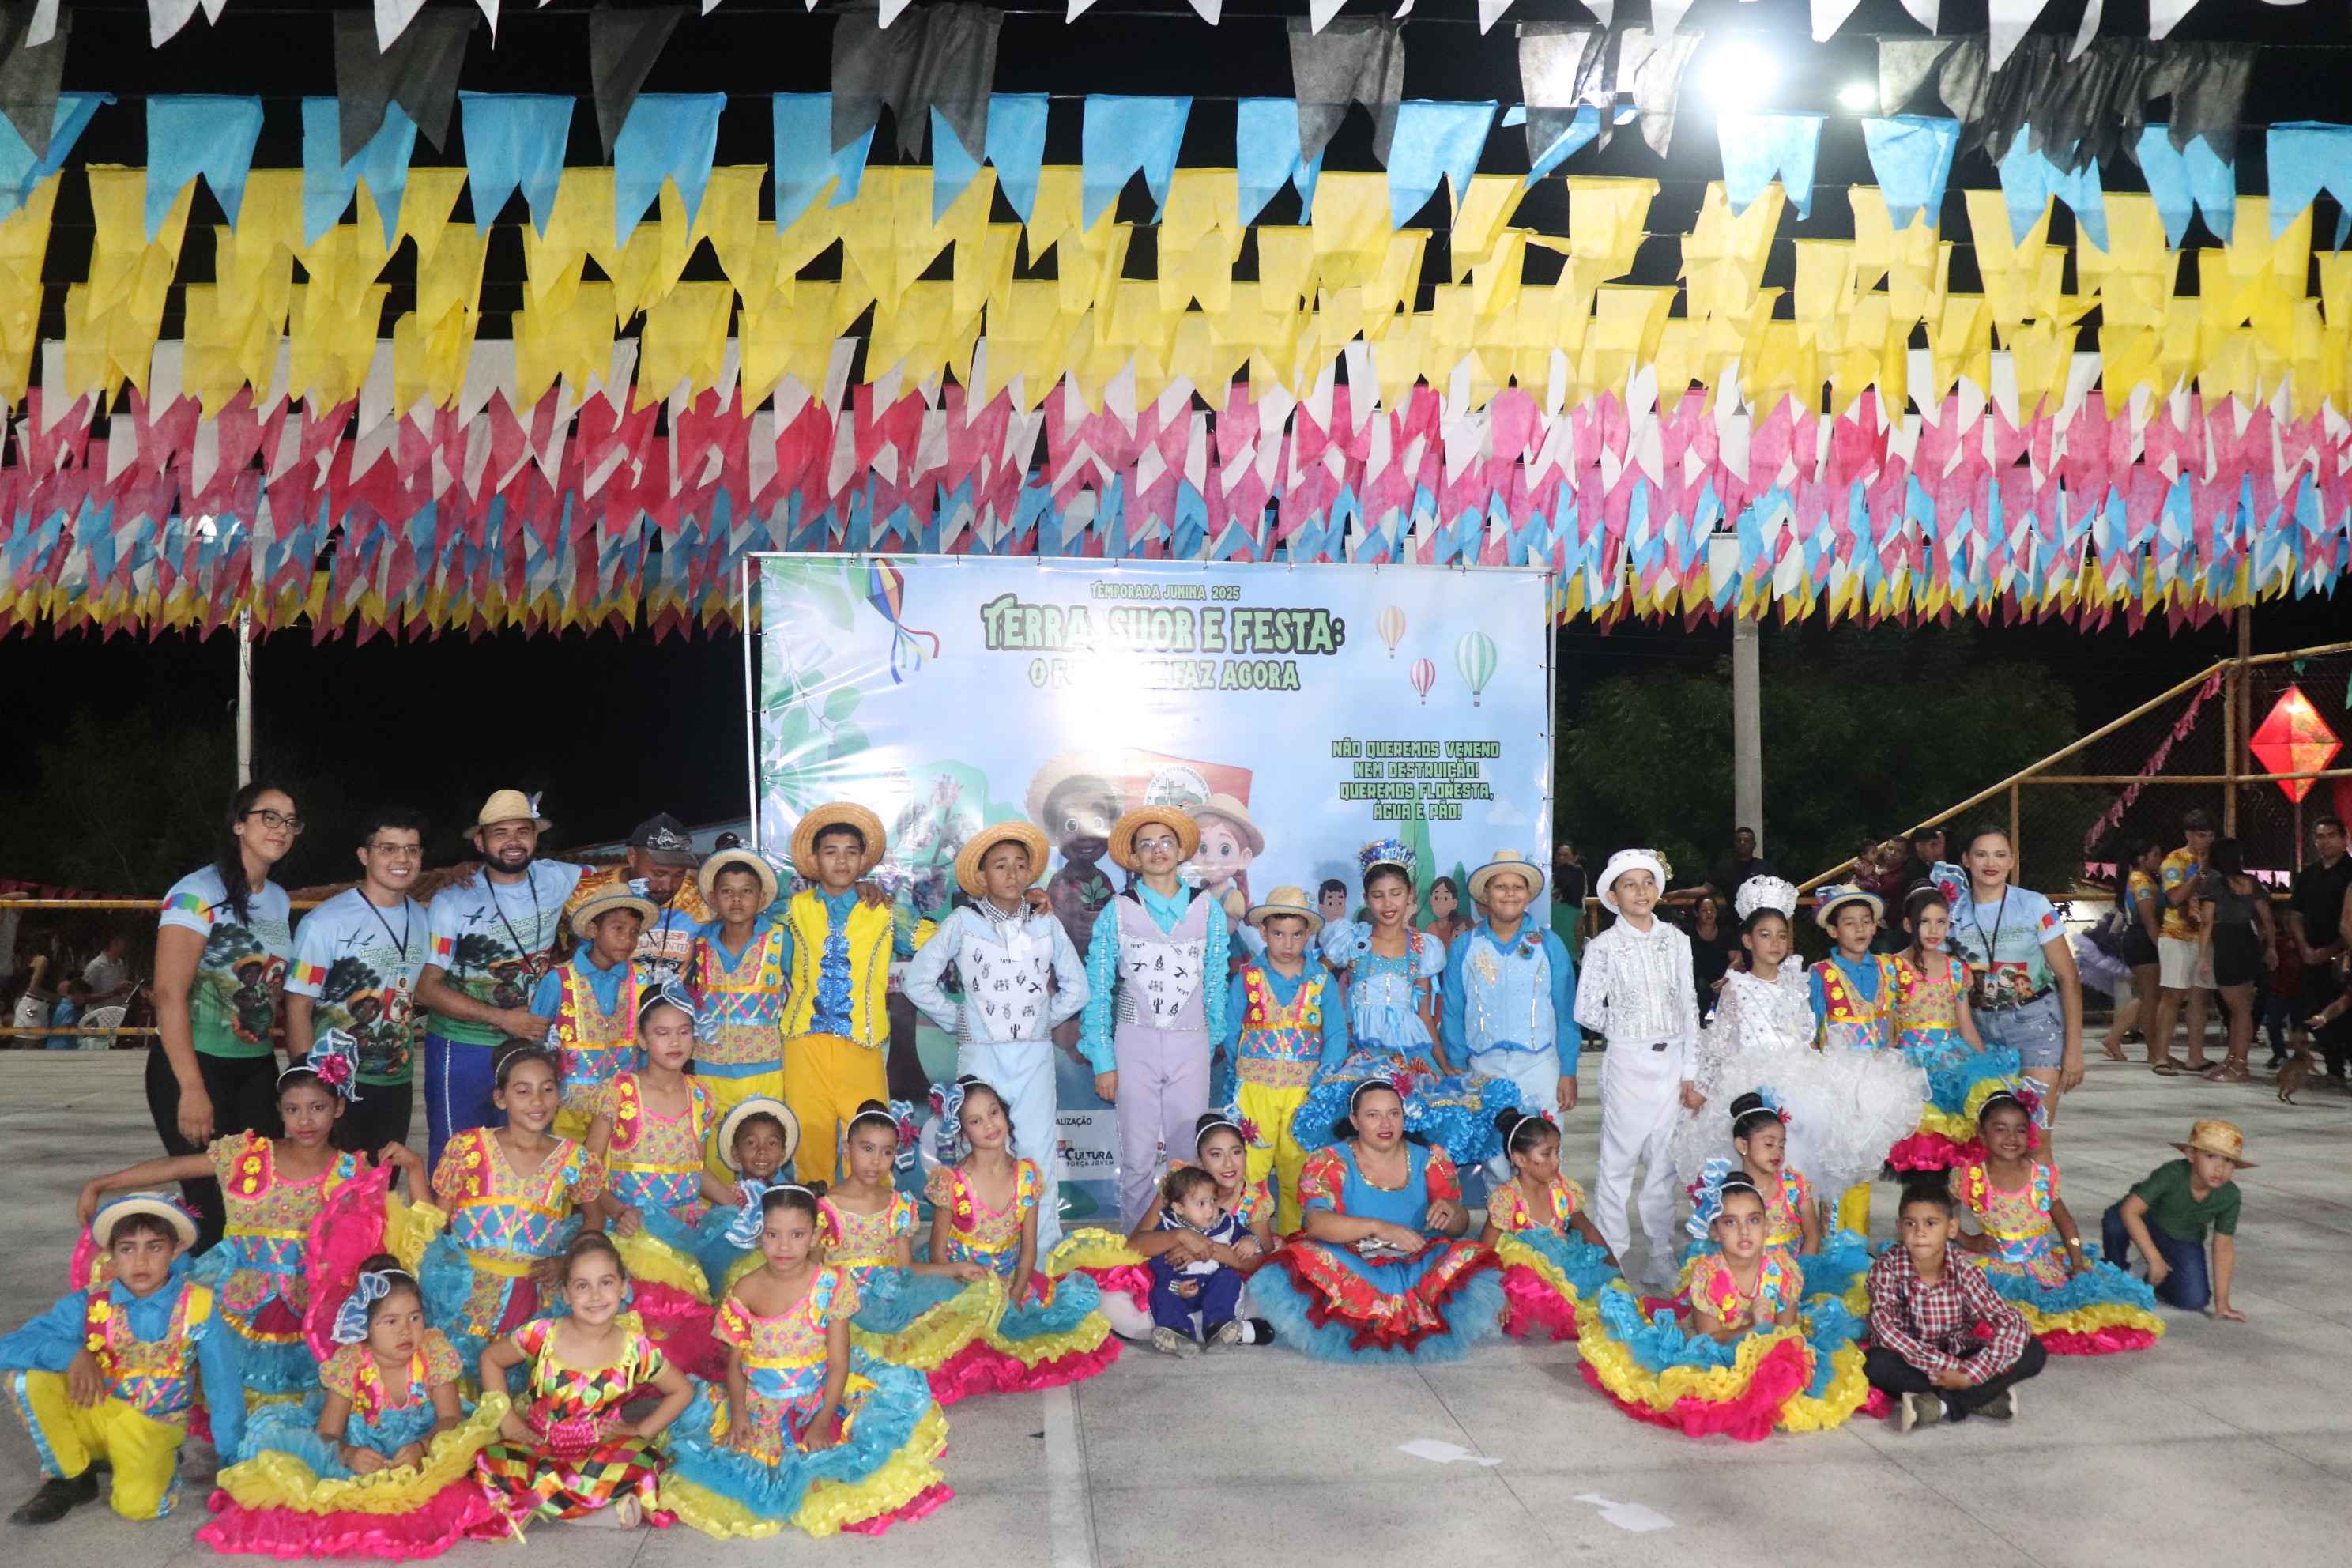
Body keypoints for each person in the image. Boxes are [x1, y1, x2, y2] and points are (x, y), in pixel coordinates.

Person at [77, 1054, 400, 1396]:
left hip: (310, 1311)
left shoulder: (353, 1173)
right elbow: (175, 1167)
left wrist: (412, 1170)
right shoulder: (248, 1155)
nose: (305, 1120)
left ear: (338, 1108)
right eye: (293, 1109)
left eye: (317, 1108)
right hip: (232, 1301)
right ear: (280, 1111)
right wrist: (100, 1184)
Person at [660, 1185, 949, 1540]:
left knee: (837, 1466)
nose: (784, 1247)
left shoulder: (830, 1285)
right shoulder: (746, 1289)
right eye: (773, 1234)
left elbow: (839, 1363)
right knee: (733, 1466)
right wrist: (739, 1413)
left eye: (797, 1235)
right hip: (759, 1402)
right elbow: (735, 1365)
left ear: (814, 1237)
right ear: (759, 1235)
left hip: (818, 1398)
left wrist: (821, 1422)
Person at [200, 1255, 505, 1559]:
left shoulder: (433, 1354)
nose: (406, 1330)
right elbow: (327, 1434)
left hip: (424, 1444)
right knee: (323, 1491)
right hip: (366, 1449)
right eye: (391, 1321)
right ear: (364, 1327)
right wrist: (349, 1455)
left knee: (461, 1472)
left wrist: (423, 1448)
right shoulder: (351, 1365)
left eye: (415, 1318)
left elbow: (450, 1418)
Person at [0, 1196, 245, 1525]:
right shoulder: (89, 1302)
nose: (140, 1261)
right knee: (30, 1378)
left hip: (152, 1427)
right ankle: (73, 1476)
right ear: (111, 1254)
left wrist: (233, 1461)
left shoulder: (199, 1306)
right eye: (128, 1249)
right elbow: (9, 1346)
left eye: (154, 1247)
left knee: (137, 1507)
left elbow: (223, 1387)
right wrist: (71, 1353)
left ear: (176, 1250)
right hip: (98, 1411)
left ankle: (155, 1459)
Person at [904, 820, 1087, 1250]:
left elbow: (1078, 989)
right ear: (982, 875)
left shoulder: (1045, 924)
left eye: (1020, 865)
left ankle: (1040, 1255)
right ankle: (977, 1248)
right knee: (977, 1153)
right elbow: (917, 982)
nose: (1011, 873)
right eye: (1000, 865)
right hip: (981, 1057)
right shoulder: (964, 922)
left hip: (1033, 1058)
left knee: (1037, 1154)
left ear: (1030, 874)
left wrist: (1042, 1019)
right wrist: (958, 1019)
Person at [1250, 1078, 1502, 1362]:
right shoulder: (1329, 1161)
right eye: (1373, 1115)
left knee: (1469, 1255)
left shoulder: (1431, 1159)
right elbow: (1316, 1224)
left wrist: (1452, 1211)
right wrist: (1380, 1228)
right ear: (1354, 1121)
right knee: (1301, 1255)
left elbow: (1459, 1226)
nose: (1386, 1124)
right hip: (1352, 1259)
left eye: (1394, 1114)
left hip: (1417, 1260)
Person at [149, 781, 301, 1250]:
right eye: (268, 817)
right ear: (239, 824)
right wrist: (192, 1089)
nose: (281, 828)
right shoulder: (196, 893)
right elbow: (168, 994)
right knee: (211, 1210)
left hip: (256, 1067)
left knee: (260, 1200)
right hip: (198, 1066)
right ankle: (201, 1295)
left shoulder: (278, 898)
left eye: (290, 821)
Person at [1308, 841, 1521, 1170]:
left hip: (1412, 1055)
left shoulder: (1422, 947)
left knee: (1414, 1135)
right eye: (1378, 895)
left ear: (1410, 895)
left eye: (1396, 893)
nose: (1387, 903)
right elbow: (1313, 982)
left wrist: (1443, 1063)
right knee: (1362, 1139)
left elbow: (1424, 1012)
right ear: (1366, 899)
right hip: (1360, 1053)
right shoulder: (1352, 941)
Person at [417, 790, 589, 1176]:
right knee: (455, 1157)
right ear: (480, 842)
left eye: (522, 832)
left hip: (529, 1046)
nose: (513, 842)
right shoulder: (452, 900)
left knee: (524, 1153)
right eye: (500, 833)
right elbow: (425, 988)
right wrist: (503, 1019)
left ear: (535, 837)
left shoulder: (557, 877)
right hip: (463, 1048)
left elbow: (625, 880)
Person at [474, 1233, 694, 1530]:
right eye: (582, 1286)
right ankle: (595, 1512)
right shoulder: (543, 1334)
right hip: (540, 1447)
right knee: (489, 1461)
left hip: (599, 1455)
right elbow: (490, 1359)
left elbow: (681, 1390)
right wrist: (510, 1422)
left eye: (606, 1283)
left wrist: (639, 1430)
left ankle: (548, 1503)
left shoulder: (634, 1349)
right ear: (566, 1293)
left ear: (623, 1287)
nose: (595, 1296)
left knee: (641, 1462)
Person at [1080, 808, 1231, 1227]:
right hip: (1135, 1044)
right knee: (1137, 1159)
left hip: (1191, 1043)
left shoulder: (1207, 909)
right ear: (1133, 857)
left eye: (1166, 841)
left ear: (1182, 851)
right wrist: (1103, 1059)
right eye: (1146, 844)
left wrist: (1208, 1041)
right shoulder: (1118, 910)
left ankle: (1188, 1245)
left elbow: (1216, 983)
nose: (1157, 850)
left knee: (1187, 1160)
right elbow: (1098, 989)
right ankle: (1139, 1249)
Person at [921, 1077, 1119, 1396]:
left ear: (1005, 1114)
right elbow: (937, 1255)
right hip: (960, 1285)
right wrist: (964, 1290)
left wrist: (1014, 1296)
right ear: (963, 1132)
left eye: (994, 1112)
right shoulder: (952, 1182)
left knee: (1049, 1336)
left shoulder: (1026, 1176)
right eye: (975, 1121)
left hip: (1011, 1281)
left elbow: (1028, 1249)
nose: (989, 1125)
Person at [420, 1046, 609, 1369]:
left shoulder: (574, 1159)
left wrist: (566, 1261)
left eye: (547, 1089)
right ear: (501, 1098)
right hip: (465, 1295)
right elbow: (438, 1221)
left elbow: (595, 1217)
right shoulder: (467, 1148)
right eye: (523, 1091)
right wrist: (414, 1169)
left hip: (532, 1299)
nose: (537, 1102)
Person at [1574, 849, 1702, 1291]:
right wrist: (1626, 1026)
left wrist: (1691, 1069)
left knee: (1664, 1162)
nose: (1641, 891)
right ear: (1613, 896)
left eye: (1647, 882)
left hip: (1673, 1060)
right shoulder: (1604, 946)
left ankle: (1660, 1253)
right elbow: (1586, 1008)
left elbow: (1689, 1003)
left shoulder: (1676, 940)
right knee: (1619, 1162)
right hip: (1629, 1062)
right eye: (1629, 885)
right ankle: (1611, 1257)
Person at [1952, 1091, 2164, 1354]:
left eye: (2020, 1130)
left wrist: (2077, 1262)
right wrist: (1966, 1239)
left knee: (2068, 1315)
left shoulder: (2041, 1176)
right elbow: (1940, 1210)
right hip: (1995, 1267)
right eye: (2001, 1129)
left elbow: (2066, 1223)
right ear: (1983, 1135)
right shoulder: (1971, 1176)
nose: (2011, 1138)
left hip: (2042, 1265)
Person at [779, 802, 922, 1187]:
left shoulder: (885, 912)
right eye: (831, 852)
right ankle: (814, 1219)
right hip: (804, 1044)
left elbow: (938, 939)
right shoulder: (792, 911)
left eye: (851, 852)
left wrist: (1019, 907)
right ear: (815, 860)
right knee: (809, 1140)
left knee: (870, 1141)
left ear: (863, 861)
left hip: (862, 1043)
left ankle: (868, 1220)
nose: (841, 861)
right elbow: (757, 931)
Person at [286, 805, 432, 1159]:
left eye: (412, 850)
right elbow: (297, 1007)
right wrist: (313, 1090)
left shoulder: (423, 918)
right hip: (336, 1087)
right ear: (364, 855)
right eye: (388, 849)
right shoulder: (324, 923)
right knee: (332, 1187)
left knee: (382, 1185)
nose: (402, 859)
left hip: (396, 1083)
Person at [586, 985, 722, 1334]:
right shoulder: (619, 1092)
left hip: (686, 1237)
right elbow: (586, 1171)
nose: (675, 1042)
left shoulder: (701, 1097)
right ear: (642, 1040)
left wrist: (737, 1203)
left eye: (684, 1031)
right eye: (662, 1033)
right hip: (633, 1237)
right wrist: (618, 1212)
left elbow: (695, 1170)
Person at [1940, 827, 2087, 1144]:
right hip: (1976, 1031)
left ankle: (2041, 1181)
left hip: (2035, 1028)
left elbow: (2068, 977)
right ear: (1966, 860)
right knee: (1984, 1141)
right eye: (1981, 854)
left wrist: (2074, 1049)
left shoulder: (2034, 905)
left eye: (2000, 855)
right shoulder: (1951, 913)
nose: (1990, 863)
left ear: (2012, 861)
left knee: (2033, 1139)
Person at [1865, 1179, 2045, 1432]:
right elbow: (1886, 1332)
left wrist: (1971, 1373)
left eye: (1931, 1223)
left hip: (1960, 1354)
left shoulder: (1964, 1271)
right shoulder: (1887, 1269)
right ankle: (1980, 1398)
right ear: (1899, 1228)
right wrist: (1957, 1373)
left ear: (1951, 1228)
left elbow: (2009, 1320)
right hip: (1912, 1360)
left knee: (2033, 1351)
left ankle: (1940, 1405)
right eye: (1910, 1223)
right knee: (1875, 1363)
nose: (1920, 1233)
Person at [1219, 885, 1347, 1233]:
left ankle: (1295, 1245)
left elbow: (1336, 1034)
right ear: (1263, 933)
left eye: (1296, 935)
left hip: (1304, 1093)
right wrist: (1238, 1073)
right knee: (1251, 1171)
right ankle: (1247, 1241)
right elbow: (1231, 1031)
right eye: (1278, 934)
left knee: (1298, 1171)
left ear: (1308, 935)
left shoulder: (1321, 980)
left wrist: (1322, 1081)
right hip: (1254, 1090)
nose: (1288, 944)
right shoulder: (1248, 978)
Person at [1440, 850, 1580, 1147]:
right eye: (1500, 886)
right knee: (1491, 1153)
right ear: (1486, 894)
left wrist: (1567, 1070)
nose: (1509, 894)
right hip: (1482, 1066)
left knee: (1542, 1151)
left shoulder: (1549, 945)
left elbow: (1566, 1011)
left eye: (1517, 887)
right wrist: (1458, 1065)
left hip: (1540, 1064)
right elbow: (1453, 1011)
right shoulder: (1465, 947)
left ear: (1528, 895)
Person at [684, 847, 792, 1183]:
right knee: (713, 1153)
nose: (736, 899)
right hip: (709, 1069)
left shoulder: (779, 940)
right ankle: (721, 1212)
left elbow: (804, 990)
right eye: (727, 891)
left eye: (746, 891)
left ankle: (766, 1211)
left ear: (761, 898)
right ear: (714, 898)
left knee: (764, 1155)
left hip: (764, 1069)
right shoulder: (699, 944)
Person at [1482, 1106, 1617, 1341]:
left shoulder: (1563, 1190)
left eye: (1557, 1152)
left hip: (1566, 1265)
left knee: (1607, 1306)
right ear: (1520, 1159)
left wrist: (1613, 1268)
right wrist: (1496, 1293)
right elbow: (1484, 1252)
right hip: (1525, 1278)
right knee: (1535, 1318)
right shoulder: (1507, 1200)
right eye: (1546, 1154)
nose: (1555, 1161)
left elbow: (1587, 1229)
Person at [531, 885, 655, 1140]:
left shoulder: (641, 981)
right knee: (567, 1162)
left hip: (623, 1107)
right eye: (618, 928)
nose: (628, 940)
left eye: (634, 932)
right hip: (567, 1111)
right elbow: (534, 1042)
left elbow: (648, 1045)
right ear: (593, 930)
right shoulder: (559, 980)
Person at [2101, 1119, 2249, 1321]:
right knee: (2115, 1220)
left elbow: (2223, 1246)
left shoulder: (2230, 1195)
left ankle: (2151, 1274)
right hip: (2147, 1220)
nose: (2220, 1168)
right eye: (2211, 1156)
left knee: (2193, 1301)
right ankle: (2115, 1268)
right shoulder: (2172, 1173)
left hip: (2182, 1239)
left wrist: (2222, 1301)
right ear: (2191, 1155)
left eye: (2229, 1161)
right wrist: (2154, 1257)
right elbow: (2130, 1211)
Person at [562, 812, 716, 981]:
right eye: (659, 874)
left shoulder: (700, 897)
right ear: (633, 858)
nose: (668, 886)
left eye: (679, 874)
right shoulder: (585, 894)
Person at [1144, 1165, 1255, 1355]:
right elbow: (1158, 1264)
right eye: (1201, 1204)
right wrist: (1175, 1286)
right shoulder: (1168, 1228)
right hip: (1181, 1289)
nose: (1210, 1209)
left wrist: (1249, 1242)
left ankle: (1218, 1326)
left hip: (1214, 1286)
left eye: (1213, 1200)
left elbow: (1247, 1239)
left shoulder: (1226, 1223)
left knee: (1229, 1278)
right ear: (1179, 1208)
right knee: (1159, 1295)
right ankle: (1178, 1333)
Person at [1685, 1173, 1804, 1344]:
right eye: (1731, 1222)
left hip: (1772, 1350)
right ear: (1715, 1232)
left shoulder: (1784, 1269)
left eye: (1753, 1220)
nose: (1744, 1231)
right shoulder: (1707, 1275)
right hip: (1721, 1353)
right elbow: (1708, 1339)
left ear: (1767, 1227)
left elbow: (1786, 1336)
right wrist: (1754, 1328)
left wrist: (1767, 1332)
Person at [2195, 836, 2277, 1083]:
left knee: (2238, 1008)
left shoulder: (2214, 881)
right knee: (2241, 1007)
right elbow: (2267, 918)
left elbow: (2207, 921)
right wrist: (2271, 948)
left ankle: (2240, 1064)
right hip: (2248, 942)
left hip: (2227, 945)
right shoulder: (2251, 881)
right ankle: (2233, 1059)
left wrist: (2202, 956)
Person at [2146, 808, 2218, 1074]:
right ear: (2188, 834)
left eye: (2210, 835)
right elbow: (2175, 897)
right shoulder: (2174, 861)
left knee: (2201, 996)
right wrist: (2200, 874)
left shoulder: (2217, 861)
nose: (2206, 841)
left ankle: (2195, 1056)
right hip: (2177, 935)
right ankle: (2160, 1056)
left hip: (2205, 936)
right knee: (2173, 996)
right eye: (2201, 835)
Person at [2287, 814, 2350, 1080]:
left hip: (2343, 957)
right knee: (2316, 1012)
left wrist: (2333, 950)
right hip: (2310, 956)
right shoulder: (2309, 874)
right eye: (2320, 837)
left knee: (2343, 1013)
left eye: (2331, 836)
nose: (2325, 842)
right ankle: (2333, 1067)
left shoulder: (2350, 873)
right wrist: (2305, 948)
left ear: (2345, 838)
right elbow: (2295, 913)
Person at [2102, 839, 2165, 1062]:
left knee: (2148, 996)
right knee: (2150, 998)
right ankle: (2154, 1053)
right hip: (2143, 940)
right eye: (2156, 854)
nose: (2160, 859)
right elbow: (2149, 922)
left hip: (2142, 939)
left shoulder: (2145, 879)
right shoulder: (2140, 881)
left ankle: (2115, 1038)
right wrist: (2162, 948)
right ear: (2142, 859)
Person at [1694, 827, 1777, 905]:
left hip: (1761, 914)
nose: (1742, 843)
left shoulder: (1765, 867)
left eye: (1747, 841)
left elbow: (1778, 891)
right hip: (1733, 915)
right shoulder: (1725, 868)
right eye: (1739, 840)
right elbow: (1706, 889)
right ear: (1734, 843)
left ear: (1754, 845)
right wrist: (1685, 893)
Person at [1684, 895, 1737, 1008]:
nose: (1709, 913)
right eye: (1704, 910)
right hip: (1697, 980)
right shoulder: (1687, 934)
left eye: (1712, 910)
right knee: (1701, 988)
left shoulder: (1726, 932)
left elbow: (1737, 960)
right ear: (1696, 913)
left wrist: (1724, 980)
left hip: (1723, 977)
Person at [1549, 841, 1588, 962]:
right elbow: (1579, 934)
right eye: (1559, 855)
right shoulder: (1577, 911)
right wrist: (1578, 951)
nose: (1561, 858)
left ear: (1575, 858)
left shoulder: (1550, 906)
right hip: (1570, 954)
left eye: (1566, 855)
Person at [1422, 875, 1471, 952]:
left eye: (1446, 898)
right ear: (1431, 900)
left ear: (1454, 903)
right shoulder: (1430, 927)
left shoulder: (1455, 929)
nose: (1440, 903)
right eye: (1436, 898)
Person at [82, 931, 134, 1001]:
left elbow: (119, 990)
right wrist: (112, 993)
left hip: (118, 1007)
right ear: (115, 943)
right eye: (124, 942)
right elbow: (85, 997)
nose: (126, 945)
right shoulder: (95, 966)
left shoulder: (120, 963)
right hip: (102, 1008)